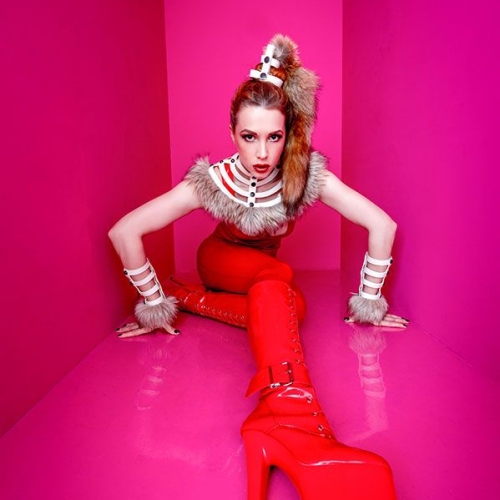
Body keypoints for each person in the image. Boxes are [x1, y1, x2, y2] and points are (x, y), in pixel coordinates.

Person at [109, 34, 406, 500]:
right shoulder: (213, 181)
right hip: (220, 261)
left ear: (289, 134)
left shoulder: (304, 175)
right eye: (250, 137)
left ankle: (188, 298)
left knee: (292, 307)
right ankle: (292, 413)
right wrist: (150, 304)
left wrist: (369, 302)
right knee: (279, 279)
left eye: (274, 137)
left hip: (262, 280)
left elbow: (381, 224)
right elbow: (124, 231)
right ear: (232, 134)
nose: (262, 154)